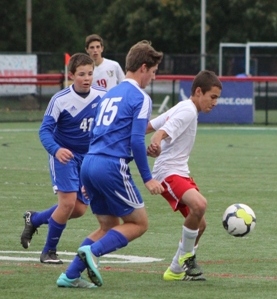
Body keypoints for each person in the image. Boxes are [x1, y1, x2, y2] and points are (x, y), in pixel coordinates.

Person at [56, 40, 164, 288]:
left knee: (108, 225)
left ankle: (70, 275)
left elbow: (94, 134)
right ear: (144, 67)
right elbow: (137, 139)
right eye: (154, 72)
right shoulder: (140, 96)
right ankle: (93, 252)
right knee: (139, 223)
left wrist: (86, 177)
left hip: (90, 162)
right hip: (111, 166)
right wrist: (147, 178)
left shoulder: (108, 95)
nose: (153, 78)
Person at [20, 53, 106, 265]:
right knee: (67, 203)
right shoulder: (60, 99)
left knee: (78, 209)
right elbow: (45, 131)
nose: (87, 78)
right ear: (71, 75)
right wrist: (57, 150)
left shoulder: (103, 96)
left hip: (89, 158)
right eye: (81, 74)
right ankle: (48, 251)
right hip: (64, 155)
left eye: (90, 73)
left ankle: (35, 219)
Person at [146, 70, 222, 281]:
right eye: (212, 97)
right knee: (199, 205)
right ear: (199, 91)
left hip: (180, 171)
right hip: (168, 172)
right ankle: (187, 257)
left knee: (201, 224)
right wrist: (156, 142)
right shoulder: (188, 110)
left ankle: (175, 271)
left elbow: (151, 125)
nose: (215, 102)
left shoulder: (183, 107)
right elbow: (160, 132)